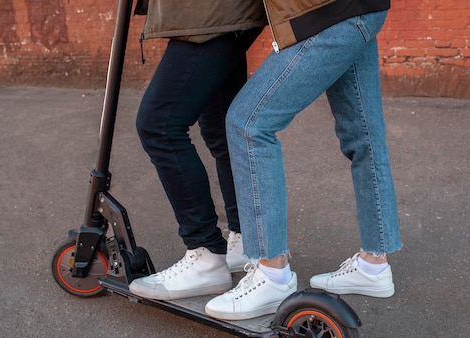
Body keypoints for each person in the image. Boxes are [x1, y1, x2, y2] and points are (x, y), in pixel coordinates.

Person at [204, 0, 402, 320]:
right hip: (360, 8)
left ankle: (272, 275)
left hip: (322, 13)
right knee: (364, 136)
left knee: (248, 123)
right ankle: (373, 265)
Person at [128, 0, 265, 300]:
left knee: (158, 125)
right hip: (224, 14)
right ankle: (245, 241)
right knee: (222, 129)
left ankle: (205, 256)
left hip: (211, 13)